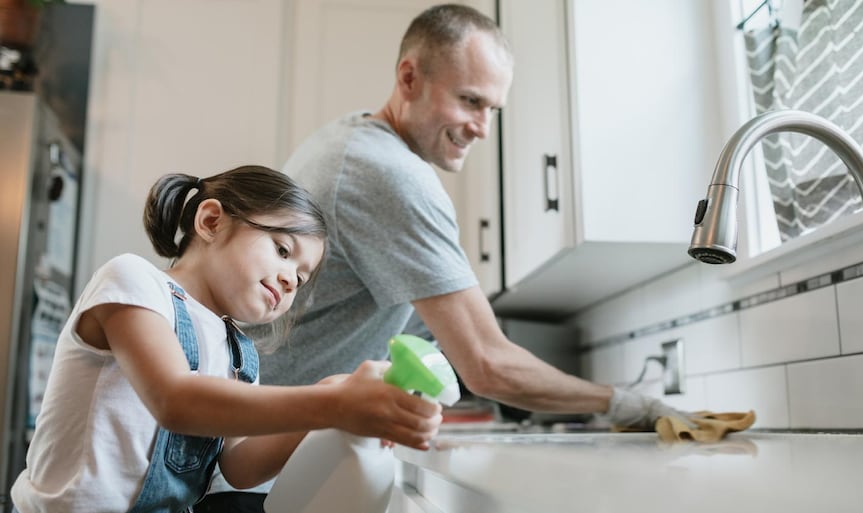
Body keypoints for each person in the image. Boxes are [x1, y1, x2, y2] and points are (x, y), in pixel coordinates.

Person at [202, 4, 689, 510]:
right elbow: (486, 364)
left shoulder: (353, 139)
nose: (482, 126)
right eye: (469, 100)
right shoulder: (389, 175)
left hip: (247, 453)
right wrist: (628, 403)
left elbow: (414, 335)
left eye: (492, 109)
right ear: (409, 77)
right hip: (247, 472)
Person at [10, 165, 442, 513]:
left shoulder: (239, 353)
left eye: (302, 277)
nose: (292, 279)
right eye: (283, 250)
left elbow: (238, 466)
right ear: (211, 221)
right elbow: (176, 401)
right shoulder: (133, 281)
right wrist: (337, 404)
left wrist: (331, 395)